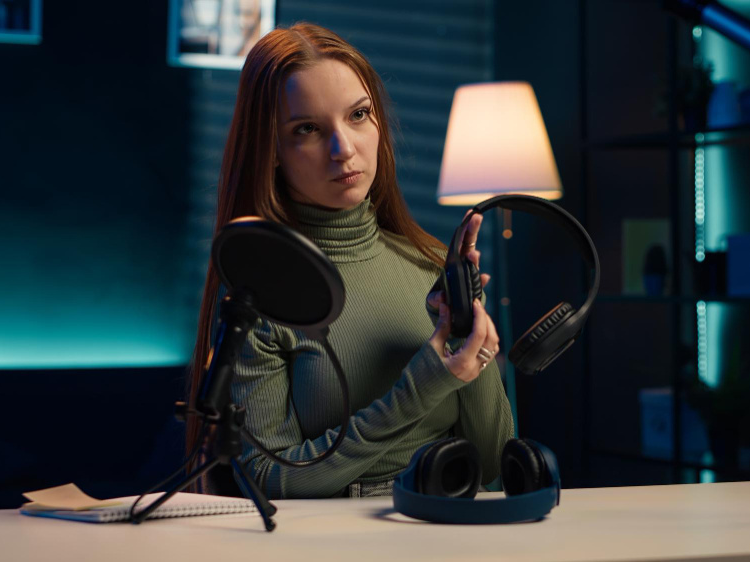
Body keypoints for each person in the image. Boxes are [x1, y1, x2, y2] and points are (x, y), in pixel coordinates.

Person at [186, 22, 514, 499]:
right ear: (270, 150)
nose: (344, 149)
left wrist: (466, 331)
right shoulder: (260, 294)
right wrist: (423, 384)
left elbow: (492, 463)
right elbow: (267, 479)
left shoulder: (429, 266)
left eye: (358, 115)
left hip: (451, 522)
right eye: (307, 129)